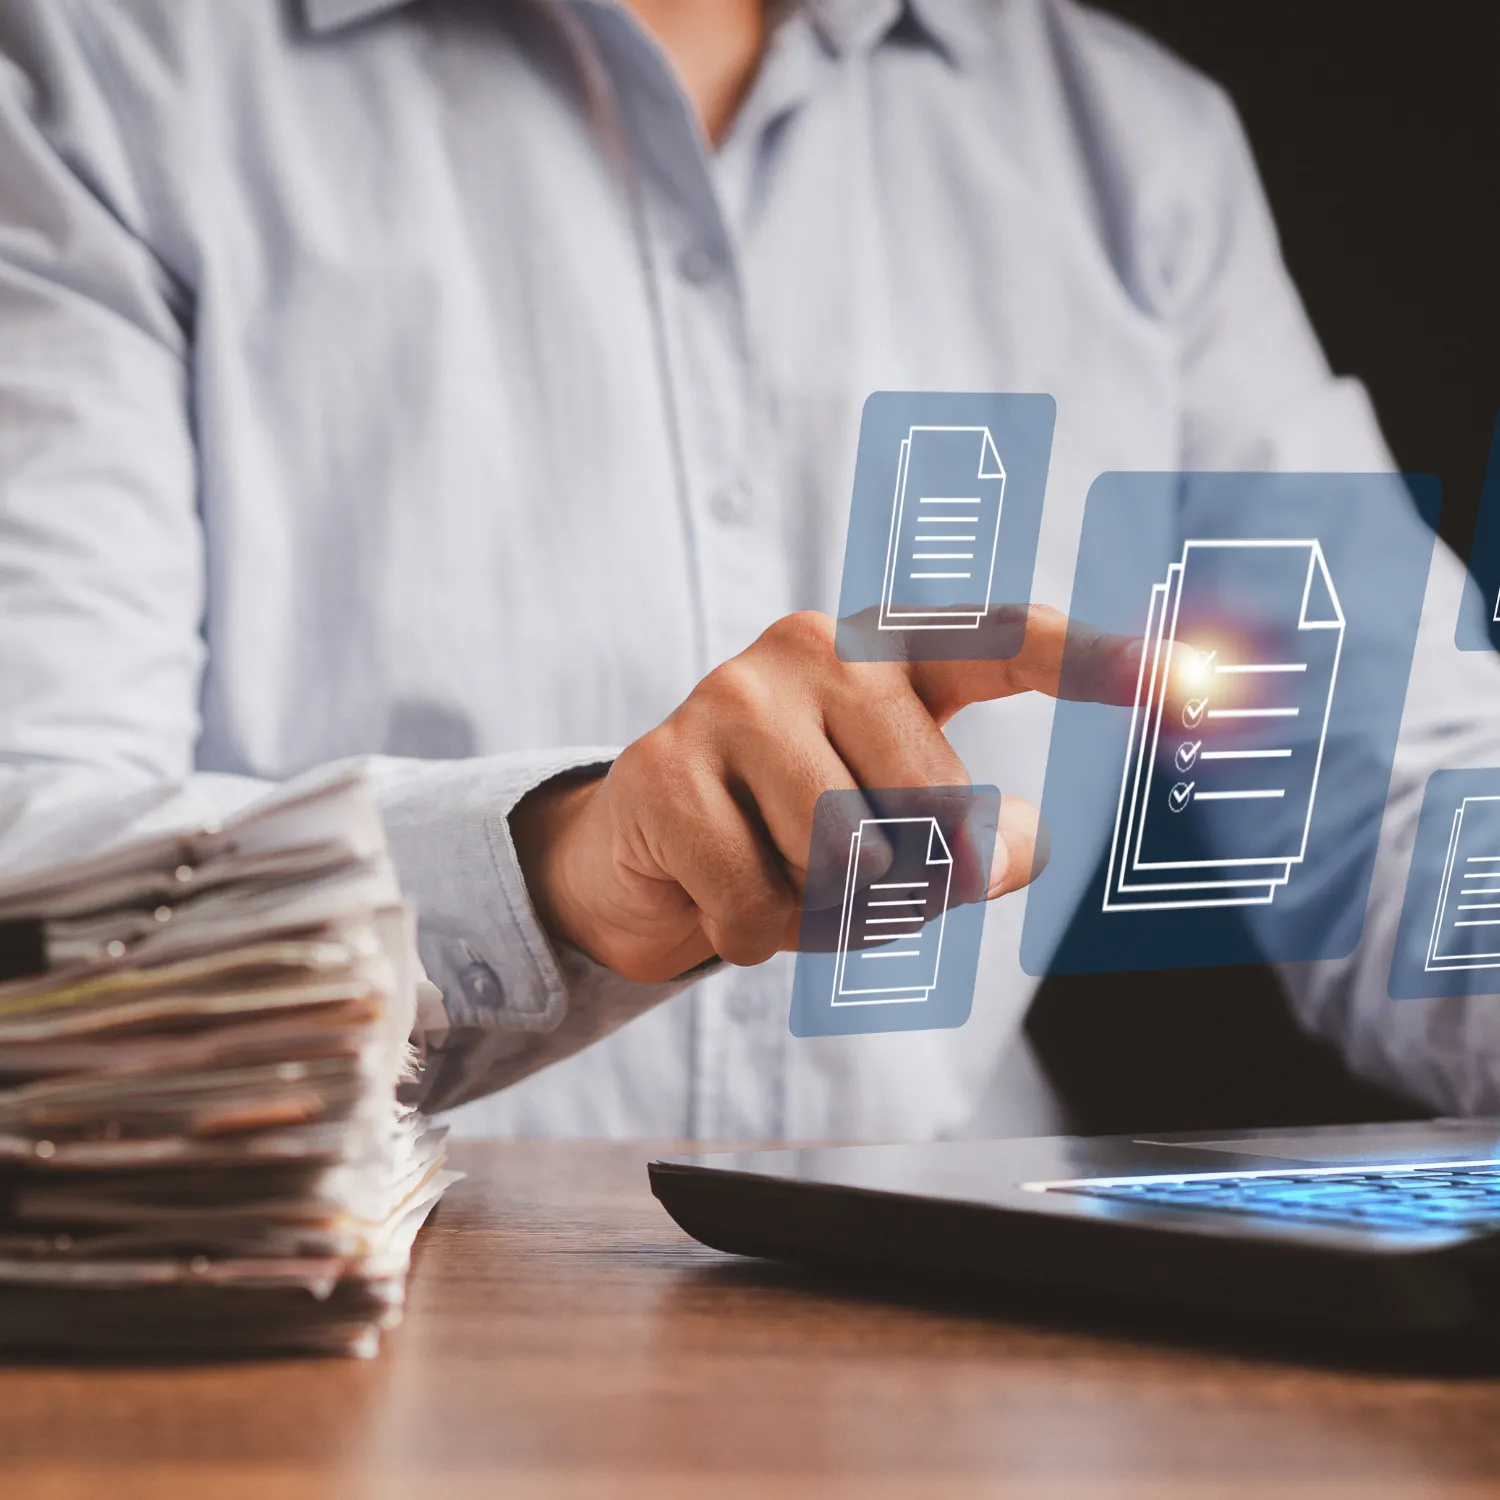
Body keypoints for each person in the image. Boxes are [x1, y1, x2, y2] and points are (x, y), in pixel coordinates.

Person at [0, 0, 1495, 1140]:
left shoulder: (1132, 147)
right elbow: (37, 889)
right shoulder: (103, 77)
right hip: (353, 1357)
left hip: (996, 1370)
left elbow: (1398, 805)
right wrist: (559, 873)